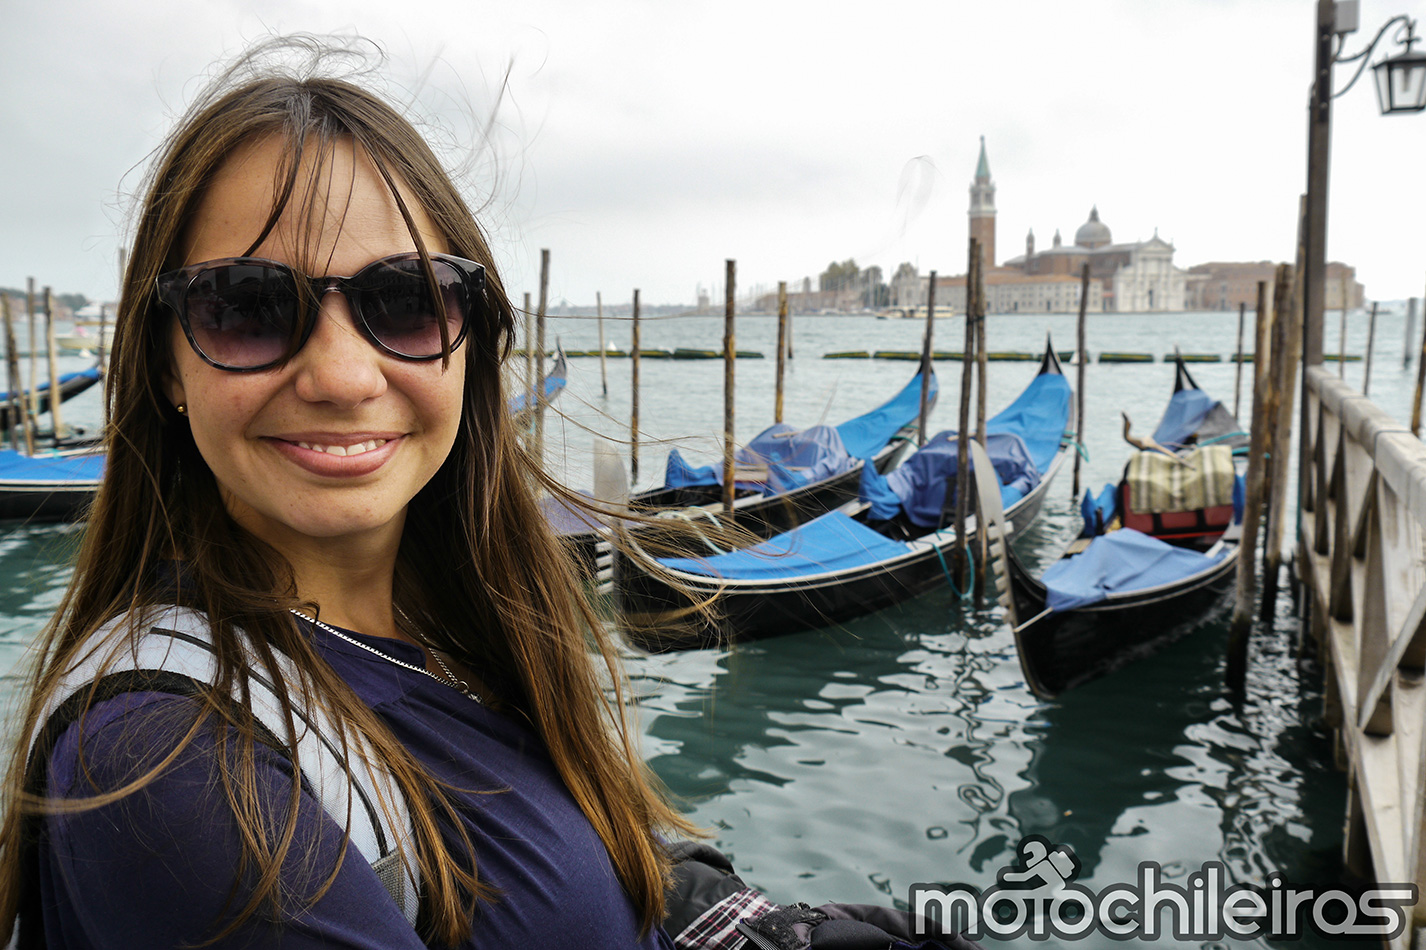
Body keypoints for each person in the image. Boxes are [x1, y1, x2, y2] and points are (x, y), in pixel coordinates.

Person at [0, 37, 981, 950]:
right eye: (248, 309)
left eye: (404, 302)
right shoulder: (165, 771)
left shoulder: (471, 622)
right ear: (164, 363)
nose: (343, 376)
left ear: (470, 337)